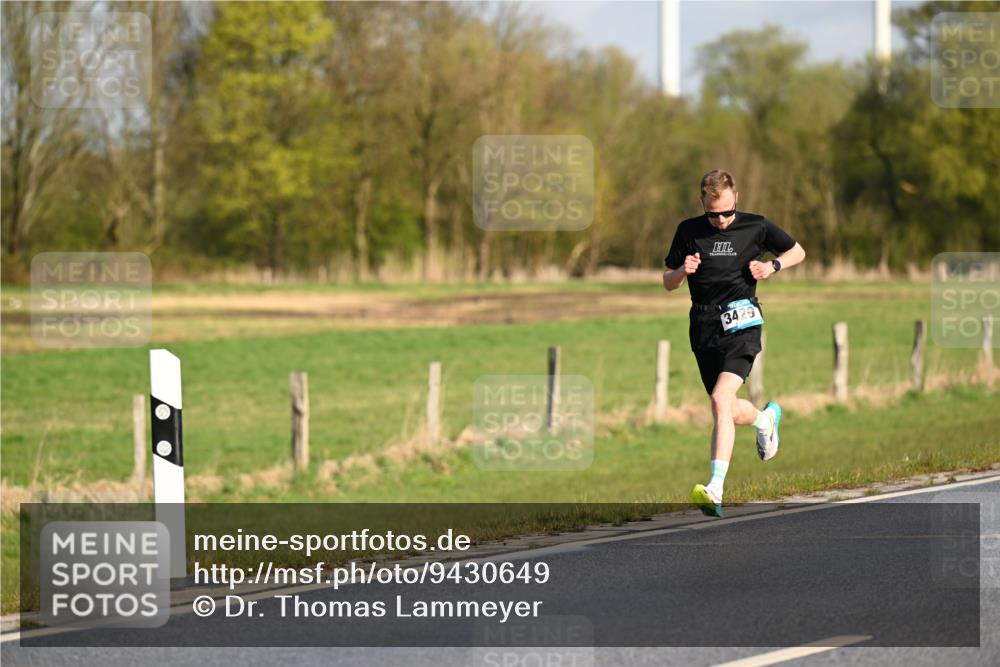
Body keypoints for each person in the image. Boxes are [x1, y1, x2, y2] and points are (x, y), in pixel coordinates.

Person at [662, 170, 806, 517]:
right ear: (703, 203)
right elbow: (667, 281)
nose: (722, 220)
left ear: (736, 198)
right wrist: (682, 271)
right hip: (703, 326)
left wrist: (772, 266)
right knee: (724, 406)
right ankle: (764, 421)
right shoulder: (688, 231)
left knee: (719, 399)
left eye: (728, 212)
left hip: (742, 324)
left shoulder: (756, 226)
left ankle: (715, 488)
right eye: (714, 215)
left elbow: (797, 251)